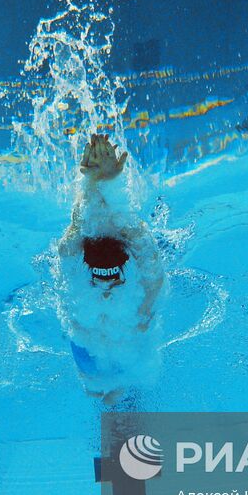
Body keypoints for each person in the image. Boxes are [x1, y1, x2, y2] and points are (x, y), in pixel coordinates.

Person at [56, 133, 164, 402]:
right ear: (88, 270)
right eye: (99, 280)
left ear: (126, 271)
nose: (105, 290)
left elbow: (142, 247)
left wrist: (98, 181)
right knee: (94, 390)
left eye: (113, 281)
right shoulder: (77, 267)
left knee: (117, 392)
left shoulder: (142, 290)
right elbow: (74, 233)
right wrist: (95, 181)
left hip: (114, 347)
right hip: (92, 349)